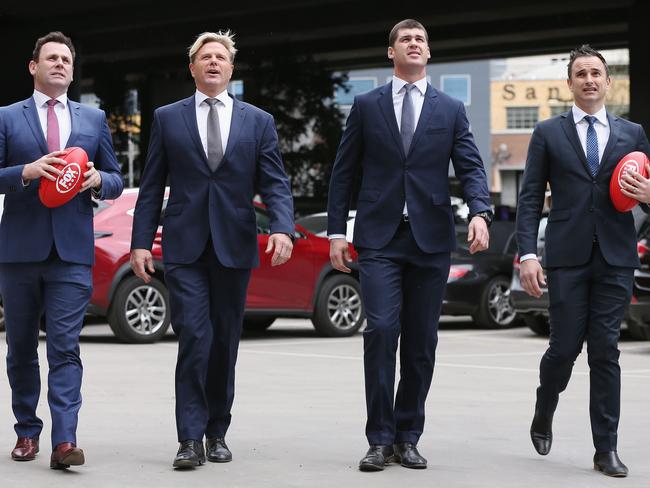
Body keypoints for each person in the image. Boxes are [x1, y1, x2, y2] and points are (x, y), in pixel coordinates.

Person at [327, 19, 491, 472]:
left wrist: (480, 211)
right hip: (379, 237)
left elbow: (472, 166)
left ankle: (408, 435)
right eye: (406, 39)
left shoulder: (451, 109)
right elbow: (344, 173)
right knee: (380, 330)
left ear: (429, 53)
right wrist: (336, 232)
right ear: (391, 52)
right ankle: (378, 438)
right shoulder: (365, 106)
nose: (414, 44)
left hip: (431, 239)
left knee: (421, 342)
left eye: (421, 39)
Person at [130, 31, 294, 469]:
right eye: (206, 57)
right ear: (193, 68)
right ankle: (188, 438)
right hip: (184, 245)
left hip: (234, 244)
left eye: (221, 57)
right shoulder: (168, 117)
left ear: (231, 68)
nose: (214, 63)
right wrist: (140, 243)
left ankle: (217, 431)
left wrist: (282, 227)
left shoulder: (257, 121)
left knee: (224, 341)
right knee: (195, 336)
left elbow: (275, 181)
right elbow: (150, 187)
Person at [517, 44, 650, 478]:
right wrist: (528, 255)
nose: (589, 79)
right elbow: (530, 197)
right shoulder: (548, 134)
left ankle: (605, 449)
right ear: (569, 83)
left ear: (608, 82)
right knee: (564, 348)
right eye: (581, 73)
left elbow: (643, 192)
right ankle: (544, 406)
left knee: (605, 352)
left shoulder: (633, 134)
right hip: (567, 257)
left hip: (616, 256)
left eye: (597, 72)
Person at [0, 31, 123, 469]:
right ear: (33, 67)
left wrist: (98, 182)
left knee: (66, 347)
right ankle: (26, 432)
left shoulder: (93, 120)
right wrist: (26, 171)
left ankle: (65, 441)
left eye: (66, 60)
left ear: (72, 70)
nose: (59, 64)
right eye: (50, 58)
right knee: (19, 347)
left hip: (71, 250)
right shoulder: (7, 118)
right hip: (18, 252)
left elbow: (115, 176)